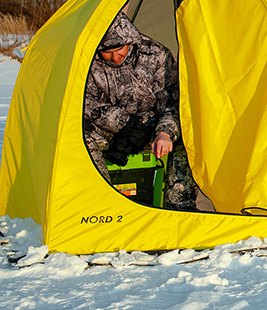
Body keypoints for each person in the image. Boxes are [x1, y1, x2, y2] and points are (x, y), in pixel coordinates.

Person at [83, 12, 214, 212]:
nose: (115, 57)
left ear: (130, 41)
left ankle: (179, 209)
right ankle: (103, 205)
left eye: (119, 49)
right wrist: (124, 124)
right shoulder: (88, 60)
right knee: (81, 140)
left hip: (150, 125)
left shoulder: (156, 54)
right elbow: (85, 103)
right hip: (111, 127)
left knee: (189, 138)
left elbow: (172, 100)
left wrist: (165, 133)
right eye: (107, 52)